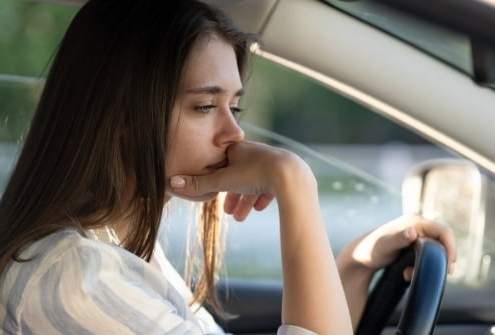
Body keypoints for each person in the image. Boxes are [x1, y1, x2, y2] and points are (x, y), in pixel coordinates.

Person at [0, 0, 456, 334]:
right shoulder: (77, 281)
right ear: (120, 116)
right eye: (204, 106)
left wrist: (352, 266)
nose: (233, 134)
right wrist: (292, 181)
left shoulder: (118, 253)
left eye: (233, 108)